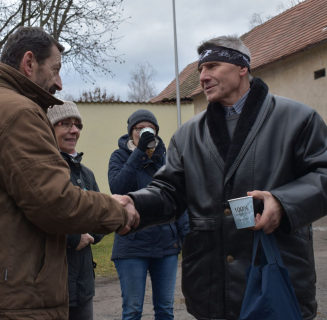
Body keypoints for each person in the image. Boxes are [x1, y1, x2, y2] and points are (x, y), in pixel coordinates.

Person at [114, 36, 327, 320]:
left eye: (212, 66)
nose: (202, 77)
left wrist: (283, 203)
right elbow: (169, 192)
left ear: (242, 67)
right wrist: (135, 205)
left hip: (276, 278)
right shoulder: (188, 134)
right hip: (211, 286)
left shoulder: (298, 118)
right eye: (201, 70)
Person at [0, 27, 138, 320]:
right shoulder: (17, 112)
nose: (59, 83)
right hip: (13, 301)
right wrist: (118, 211)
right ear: (29, 63)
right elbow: (56, 203)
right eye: (55, 70)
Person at [108, 109, 189, 320]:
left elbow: (178, 198)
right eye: (140, 128)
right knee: (133, 310)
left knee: (165, 309)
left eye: (151, 128)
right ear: (131, 131)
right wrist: (139, 153)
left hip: (166, 244)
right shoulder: (119, 156)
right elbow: (118, 187)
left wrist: (188, 235)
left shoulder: (168, 158)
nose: (146, 132)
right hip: (132, 244)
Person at [47, 101, 103, 320]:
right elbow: (41, 216)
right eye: (65, 124)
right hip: (53, 285)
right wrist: (72, 237)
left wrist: (90, 235)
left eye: (77, 125)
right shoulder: (46, 169)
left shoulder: (86, 174)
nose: (74, 130)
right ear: (49, 129)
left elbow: (100, 218)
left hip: (83, 285)